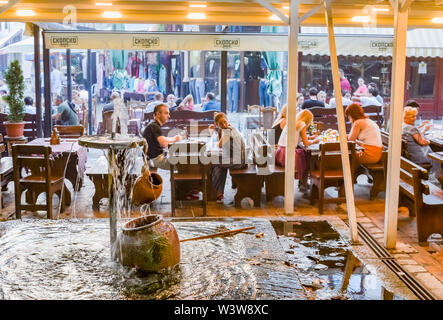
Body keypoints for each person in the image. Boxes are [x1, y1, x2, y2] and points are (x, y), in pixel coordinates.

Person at [275, 109, 320, 192]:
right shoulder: (302, 124)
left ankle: (303, 183)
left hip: (280, 152)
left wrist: (310, 138)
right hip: (287, 155)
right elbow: (306, 143)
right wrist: (315, 141)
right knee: (307, 158)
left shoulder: (293, 122)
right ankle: (304, 184)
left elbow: (297, 137)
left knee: (304, 154)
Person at [209, 112, 246, 204]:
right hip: (238, 159)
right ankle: (218, 194)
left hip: (238, 161)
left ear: (218, 124)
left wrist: (219, 130)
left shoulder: (227, 131)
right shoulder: (231, 128)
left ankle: (215, 193)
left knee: (213, 163)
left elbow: (220, 145)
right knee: (219, 166)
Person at [402, 106, 442, 185]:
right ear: (408, 117)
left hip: (410, 155)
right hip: (419, 157)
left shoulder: (404, 126)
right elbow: (422, 142)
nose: (415, 118)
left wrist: (423, 129)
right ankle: (434, 178)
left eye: (415, 116)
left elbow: (416, 137)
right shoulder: (412, 129)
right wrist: (429, 141)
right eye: (413, 116)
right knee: (438, 156)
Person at [142, 103, 181, 170]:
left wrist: (175, 138)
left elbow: (163, 139)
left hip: (153, 159)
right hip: (156, 160)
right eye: (166, 113)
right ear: (158, 114)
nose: (169, 116)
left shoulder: (153, 125)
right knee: (186, 164)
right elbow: (164, 143)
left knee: (185, 160)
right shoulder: (154, 126)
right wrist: (175, 139)